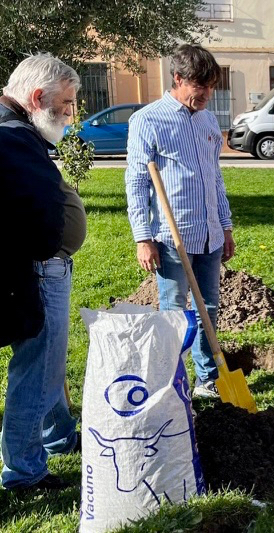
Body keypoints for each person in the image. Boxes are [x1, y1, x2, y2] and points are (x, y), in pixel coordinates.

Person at [126, 44, 234, 399]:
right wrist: (143, 236)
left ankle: (207, 379)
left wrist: (226, 226)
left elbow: (215, 177)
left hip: (210, 236)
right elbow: (137, 181)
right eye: (199, 86)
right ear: (178, 78)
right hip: (173, 238)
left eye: (211, 86)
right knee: (175, 312)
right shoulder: (147, 120)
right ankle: (174, 381)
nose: (205, 94)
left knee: (210, 309)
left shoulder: (207, 119)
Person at [0, 53, 83, 490]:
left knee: (44, 362)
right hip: (35, 270)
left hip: (33, 269)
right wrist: (52, 244)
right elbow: (39, 224)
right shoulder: (14, 137)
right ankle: (24, 471)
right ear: (37, 97)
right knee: (39, 368)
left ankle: (57, 435)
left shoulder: (15, 130)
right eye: (65, 104)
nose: (69, 114)